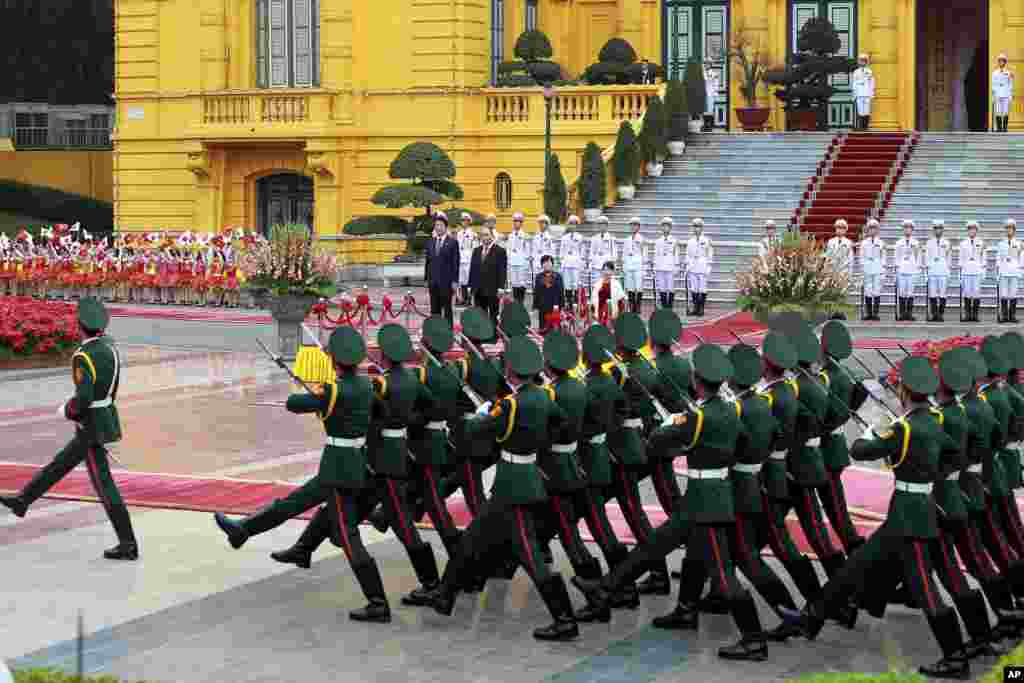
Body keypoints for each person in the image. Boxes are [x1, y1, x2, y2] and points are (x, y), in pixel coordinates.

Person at [573, 343, 769, 662]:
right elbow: (743, 443)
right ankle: (611, 589)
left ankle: (754, 638)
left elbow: (658, 441)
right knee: (656, 546)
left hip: (707, 504)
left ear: (697, 381)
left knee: (721, 572)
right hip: (705, 497)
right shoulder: (730, 410)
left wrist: (671, 424)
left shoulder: (700, 417)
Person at [785, 357, 972, 679]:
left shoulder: (904, 428)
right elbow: (955, 455)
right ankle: (811, 619)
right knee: (855, 568)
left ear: (904, 392)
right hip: (914, 511)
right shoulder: (935, 422)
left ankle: (956, 657)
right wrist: (926, 472)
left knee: (925, 589)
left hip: (909, 520)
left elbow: (860, 450)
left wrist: (874, 429)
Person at [422, 337, 578, 641]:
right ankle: (445, 594)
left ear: (510, 371)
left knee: (529, 553)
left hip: (513, 486)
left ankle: (564, 618)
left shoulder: (510, 404)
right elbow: (562, 425)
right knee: (474, 538)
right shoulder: (545, 398)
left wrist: (483, 414)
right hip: (524, 477)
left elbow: (472, 430)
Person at [220, 327, 382, 618]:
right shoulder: (366, 386)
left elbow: (294, 405)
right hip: (348, 463)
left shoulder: (333, 389)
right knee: (294, 503)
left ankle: (378, 602)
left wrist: (307, 389)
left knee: (348, 536)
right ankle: (245, 530)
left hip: (338, 470)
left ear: (334, 360)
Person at [0, 297, 138, 561]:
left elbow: (84, 398)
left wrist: (68, 410)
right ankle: (23, 501)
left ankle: (128, 543)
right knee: (61, 463)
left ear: (80, 326)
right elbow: (111, 387)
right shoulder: (111, 348)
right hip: (104, 417)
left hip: (91, 426)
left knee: (104, 485)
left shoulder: (83, 355)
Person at [567, 325, 638, 622]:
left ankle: (613, 588)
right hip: (599, 454)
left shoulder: (588, 386)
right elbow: (622, 412)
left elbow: (573, 424)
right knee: (595, 522)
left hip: (586, 459)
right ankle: (622, 587)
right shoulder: (610, 381)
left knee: (597, 525)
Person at [816, 321, 867, 555]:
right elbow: (854, 404)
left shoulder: (825, 378)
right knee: (835, 506)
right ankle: (853, 547)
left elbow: (820, 416)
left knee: (836, 508)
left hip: (824, 446)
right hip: (835, 442)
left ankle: (855, 550)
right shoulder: (848, 374)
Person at [424, 213, 459, 324]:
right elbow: (428, 262)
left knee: (447, 309)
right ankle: (436, 332)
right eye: (436, 225)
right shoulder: (430, 242)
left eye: (440, 225)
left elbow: (455, 263)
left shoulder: (453, 242)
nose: (438, 227)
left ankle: (448, 333)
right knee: (434, 310)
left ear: (445, 226)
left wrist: (454, 281)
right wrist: (426, 279)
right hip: (433, 282)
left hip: (446, 282)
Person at [469, 227, 507, 324]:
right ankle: (482, 336)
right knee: (480, 316)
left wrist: (501, 287)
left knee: (493, 316)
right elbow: (472, 269)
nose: (484, 237)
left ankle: (493, 337)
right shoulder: (476, 251)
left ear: (492, 236)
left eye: (486, 234)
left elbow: (502, 271)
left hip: (493, 290)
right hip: (478, 289)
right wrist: (470, 286)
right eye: (482, 235)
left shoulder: (500, 251)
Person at [685, 218, 713, 316]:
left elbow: (710, 253)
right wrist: (687, 265)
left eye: (699, 227)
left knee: (702, 288)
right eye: (695, 227)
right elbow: (687, 254)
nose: (697, 229)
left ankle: (701, 308)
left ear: (702, 228)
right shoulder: (690, 241)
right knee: (694, 288)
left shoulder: (707, 240)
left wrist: (709, 266)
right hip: (693, 265)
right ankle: (695, 308)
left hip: (702, 265)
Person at [895, 220, 921, 321]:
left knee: (910, 292)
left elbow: (918, 258)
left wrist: (917, 271)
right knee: (902, 292)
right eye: (906, 227)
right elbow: (896, 258)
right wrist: (897, 270)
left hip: (911, 270)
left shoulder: (916, 243)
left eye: (909, 228)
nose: (907, 229)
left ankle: (909, 313)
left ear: (912, 229)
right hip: (901, 269)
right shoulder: (898, 243)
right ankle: (902, 313)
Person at [926, 220, 952, 322]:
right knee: (932, 293)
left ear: (942, 230)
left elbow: (949, 259)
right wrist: (927, 272)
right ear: (933, 230)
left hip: (943, 270)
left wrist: (948, 272)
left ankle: (940, 314)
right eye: (936, 228)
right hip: (932, 270)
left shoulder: (947, 243)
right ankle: (934, 314)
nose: (938, 230)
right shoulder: (929, 242)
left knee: (942, 293)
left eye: (940, 228)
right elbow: (927, 258)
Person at [996, 219, 1021, 323]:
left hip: (1014, 271)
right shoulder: (1001, 244)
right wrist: (998, 272)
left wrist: (1020, 271)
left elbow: (1022, 258)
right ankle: (1004, 316)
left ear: (1014, 230)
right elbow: (998, 258)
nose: (1009, 230)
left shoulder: (1019, 243)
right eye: (1007, 228)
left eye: (1011, 228)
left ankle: (1012, 316)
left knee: (1013, 294)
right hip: (1004, 271)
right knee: (1004, 294)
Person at [960, 221, 985, 322]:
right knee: (966, 293)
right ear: (968, 230)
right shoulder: (963, 243)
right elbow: (961, 259)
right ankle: (967, 315)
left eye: (974, 229)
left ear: (976, 230)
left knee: (976, 293)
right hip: (966, 270)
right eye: (970, 229)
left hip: (977, 270)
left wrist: (983, 272)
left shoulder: (981, 243)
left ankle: (975, 315)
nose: (972, 231)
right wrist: (960, 273)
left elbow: (984, 258)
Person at [533, 255, 565, 333]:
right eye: (544, 262)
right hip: (543, 308)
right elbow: (536, 293)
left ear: (552, 264)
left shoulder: (558, 276)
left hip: (555, 308)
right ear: (542, 265)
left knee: (555, 331)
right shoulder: (538, 277)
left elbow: (561, 292)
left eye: (549, 262)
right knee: (543, 331)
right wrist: (535, 307)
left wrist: (562, 307)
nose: (547, 264)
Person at [860, 219, 885, 321]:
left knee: (876, 291)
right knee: (868, 291)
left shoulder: (881, 243)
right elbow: (861, 257)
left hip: (877, 268)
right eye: (871, 228)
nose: (872, 230)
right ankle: (869, 313)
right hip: (867, 268)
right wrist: (863, 267)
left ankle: (875, 313)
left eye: (874, 228)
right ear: (868, 230)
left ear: (877, 230)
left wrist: (883, 270)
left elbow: (883, 257)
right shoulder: (864, 243)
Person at [559, 215, 584, 314]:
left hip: (576, 263)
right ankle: (569, 304)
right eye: (571, 224)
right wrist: (562, 262)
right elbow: (562, 251)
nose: (573, 226)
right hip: (566, 263)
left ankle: (576, 304)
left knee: (575, 284)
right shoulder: (564, 237)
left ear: (577, 225)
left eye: (574, 224)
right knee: (567, 285)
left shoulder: (580, 237)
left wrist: (581, 263)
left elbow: (581, 251)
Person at [653, 217, 679, 309]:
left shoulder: (674, 240)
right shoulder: (658, 241)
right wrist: (655, 266)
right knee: (662, 287)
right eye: (664, 226)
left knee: (671, 287)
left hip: (670, 266)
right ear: (661, 228)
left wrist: (676, 266)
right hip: (660, 266)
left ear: (670, 228)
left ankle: (670, 306)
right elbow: (656, 254)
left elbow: (676, 254)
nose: (665, 228)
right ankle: (664, 307)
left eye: (667, 226)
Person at [590, 260, 626, 325]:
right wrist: (594, 314)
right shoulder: (597, 285)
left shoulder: (616, 284)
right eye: (605, 270)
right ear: (602, 271)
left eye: (609, 270)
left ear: (612, 271)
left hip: (613, 313)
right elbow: (593, 302)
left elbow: (621, 301)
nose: (607, 272)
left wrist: (619, 315)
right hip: (600, 313)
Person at [507, 212, 531, 303]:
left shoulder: (525, 236)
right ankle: (516, 302)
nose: (517, 223)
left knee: (521, 283)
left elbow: (527, 251)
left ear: (522, 223)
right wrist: (509, 260)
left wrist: (526, 262)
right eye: (515, 221)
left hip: (521, 262)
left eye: (519, 221)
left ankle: (521, 302)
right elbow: (509, 249)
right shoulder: (510, 235)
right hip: (513, 262)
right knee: (514, 282)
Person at [622, 217, 645, 313]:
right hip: (629, 264)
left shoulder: (641, 239)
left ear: (639, 227)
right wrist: (624, 264)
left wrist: (644, 266)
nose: (633, 227)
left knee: (638, 286)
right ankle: (632, 305)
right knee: (630, 286)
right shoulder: (627, 239)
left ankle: (638, 305)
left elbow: (644, 253)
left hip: (638, 264)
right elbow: (624, 253)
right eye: (631, 225)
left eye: (635, 225)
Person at [456, 212, 478, 307]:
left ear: (469, 222)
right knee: (461, 281)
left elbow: (475, 248)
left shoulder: (473, 234)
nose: (463, 222)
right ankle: (462, 298)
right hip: (460, 259)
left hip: (469, 258)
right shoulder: (459, 233)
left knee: (469, 280)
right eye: (462, 220)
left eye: (465, 220)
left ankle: (469, 299)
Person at [589, 216, 615, 289]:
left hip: (606, 264)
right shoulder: (594, 238)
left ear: (607, 226)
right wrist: (591, 263)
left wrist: (612, 264)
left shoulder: (611, 237)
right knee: (596, 285)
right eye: (600, 224)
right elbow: (592, 251)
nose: (601, 226)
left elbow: (614, 252)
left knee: (606, 285)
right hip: (596, 263)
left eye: (603, 224)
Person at [852, 53, 875, 130]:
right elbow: (854, 84)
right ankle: (861, 127)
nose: (862, 62)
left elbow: (872, 83)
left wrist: (872, 94)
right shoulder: (856, 72)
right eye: (861, 61)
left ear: (866, 62)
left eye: (864, 61)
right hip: (859, 94)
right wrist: (854, 95)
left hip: (867, 93)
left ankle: (865, 127)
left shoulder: (869, 71)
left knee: (867, 111)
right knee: (860, 111)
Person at [992, 54, 1014, 132]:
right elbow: (993, 84)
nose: (1001, 62)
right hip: (998, 93)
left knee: (1005, 111)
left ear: (1005, 62)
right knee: (998, 111)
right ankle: (999, 128)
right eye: (1000, 61)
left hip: (1005, 93)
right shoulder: (994, 73)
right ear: (998, 62)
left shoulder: (1009, 73)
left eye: (1003, 61)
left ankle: (1004, 128)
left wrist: (1010, 96)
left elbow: (1010, 84)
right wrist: (994, 95)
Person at [533, 214, 556, 283]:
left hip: (546, 263)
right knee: (537, 282)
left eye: (544, 223)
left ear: (547, 224)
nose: (542, 225)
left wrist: (550, 264)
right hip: (537, 262)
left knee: (546, 282)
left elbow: (552, 251)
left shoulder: (550, 237)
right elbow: (534, 250)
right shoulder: (536, 237)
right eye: (540, 223)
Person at [703, 58, 720, 131]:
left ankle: (709, 126)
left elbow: (716, 85)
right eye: (705, 63)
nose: (706, 65)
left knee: (710, 109)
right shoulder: (702, 73)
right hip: (703, 93)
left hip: (710, 93)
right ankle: (705, 124)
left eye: (708, 63)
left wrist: (715, 93)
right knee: (704, 109)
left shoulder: (714, 74)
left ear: (710, 65)